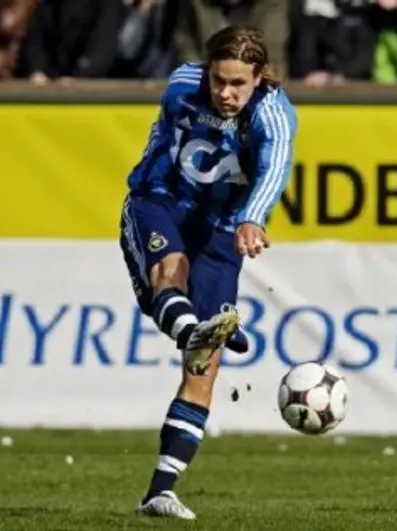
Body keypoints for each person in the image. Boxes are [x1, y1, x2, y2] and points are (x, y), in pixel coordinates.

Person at [119, 25, 297, 520]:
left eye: (238, 84)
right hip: (161, 203)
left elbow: (275, 170)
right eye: (219, 80)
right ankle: (192, 329)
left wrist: (252, 219)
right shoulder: (181, 84)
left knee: (205, 367)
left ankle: (160, 492)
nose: (225, 93)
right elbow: (166, 143)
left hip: (221, 230)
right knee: (169, 271)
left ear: (259, 77)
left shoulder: (275, 117)